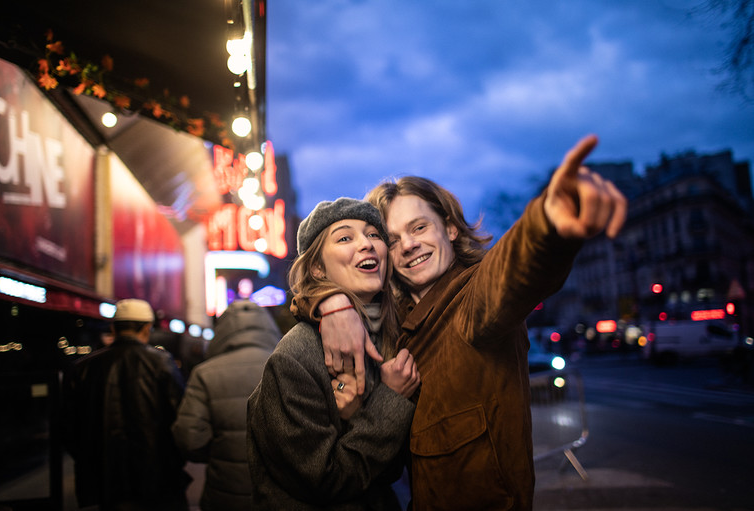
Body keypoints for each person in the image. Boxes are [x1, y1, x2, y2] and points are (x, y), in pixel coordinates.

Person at [309, 135, 628, 510]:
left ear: (451, 228)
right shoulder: (397, 323)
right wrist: (330, 303)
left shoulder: (472, 298)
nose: (408, 245)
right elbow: (314, 274)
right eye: (392, 240)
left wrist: (548, 222)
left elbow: (512, 269)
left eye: (419, 228)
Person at [246, 198, 421, 510]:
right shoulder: (294, 357)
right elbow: (324, 480)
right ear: (317, 267)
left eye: (373, 235)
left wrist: (357, 416)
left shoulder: (390, 334)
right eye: (345, 237)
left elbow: (390, 468)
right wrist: (390, 399)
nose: (366, 244)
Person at [63, 298, 191, 511]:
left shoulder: (82, 367)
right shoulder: (161, 362)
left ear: (114, 328)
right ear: (147, 328)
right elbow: (181, 418)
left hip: (103, 482)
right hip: (157, 479)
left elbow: (68, 428)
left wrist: (89, 461)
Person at [172, 299, 281, 510]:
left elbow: (189, 439)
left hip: (224, 494)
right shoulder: (287, 365)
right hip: (278, 494)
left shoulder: (205, 373)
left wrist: (220, 452)